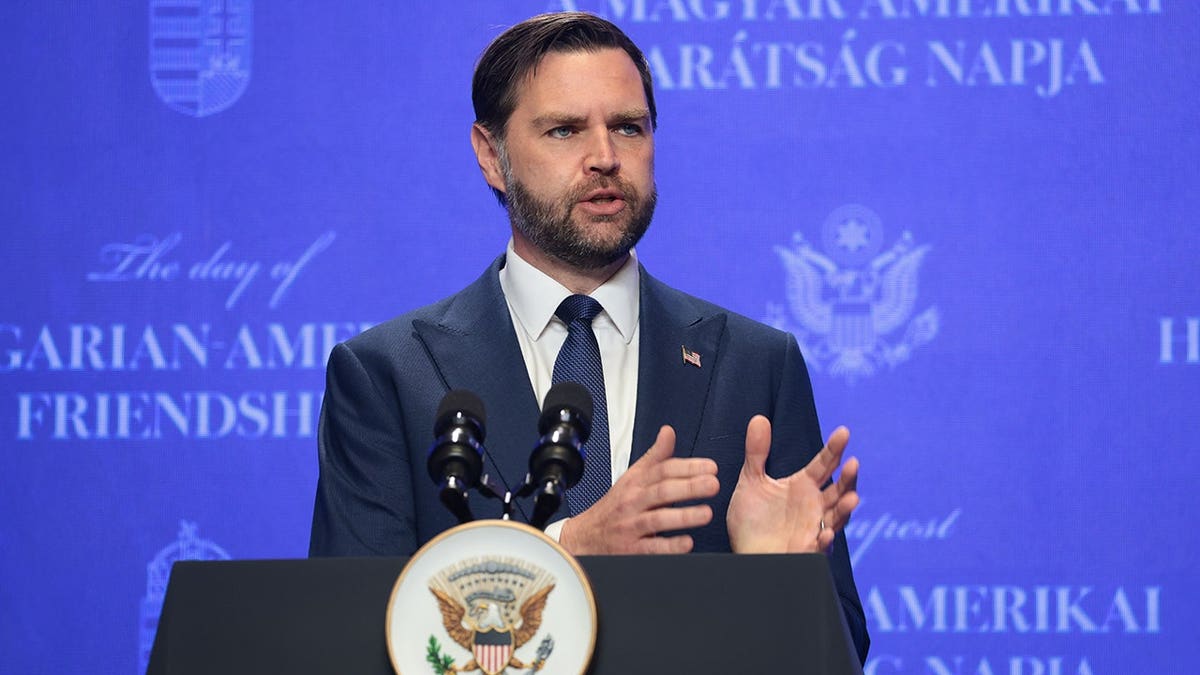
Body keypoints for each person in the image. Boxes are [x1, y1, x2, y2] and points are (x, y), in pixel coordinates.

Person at [309, 11, 869, 661]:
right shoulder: (387, 374)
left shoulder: (754, 364)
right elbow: (355, 643)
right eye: (565, 129)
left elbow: (842, 648)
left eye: (628, 127)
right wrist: (567, 549)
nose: (604, 157)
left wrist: (777, 581)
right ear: (491, 156)